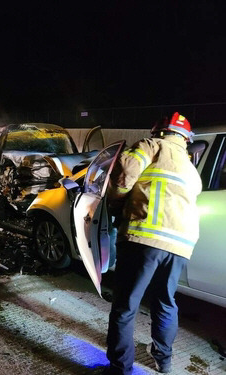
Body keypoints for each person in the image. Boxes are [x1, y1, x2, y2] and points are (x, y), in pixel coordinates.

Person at [104, 112, 202, 375]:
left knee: (126, 305)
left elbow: (124, 175)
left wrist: (115, 203)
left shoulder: (151, 145)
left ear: (159, 131)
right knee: (165, 301)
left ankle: (119, 369)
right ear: (185, 138)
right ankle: (164, 360)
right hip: (180, 246)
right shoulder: (190, 167)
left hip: (143, 238)